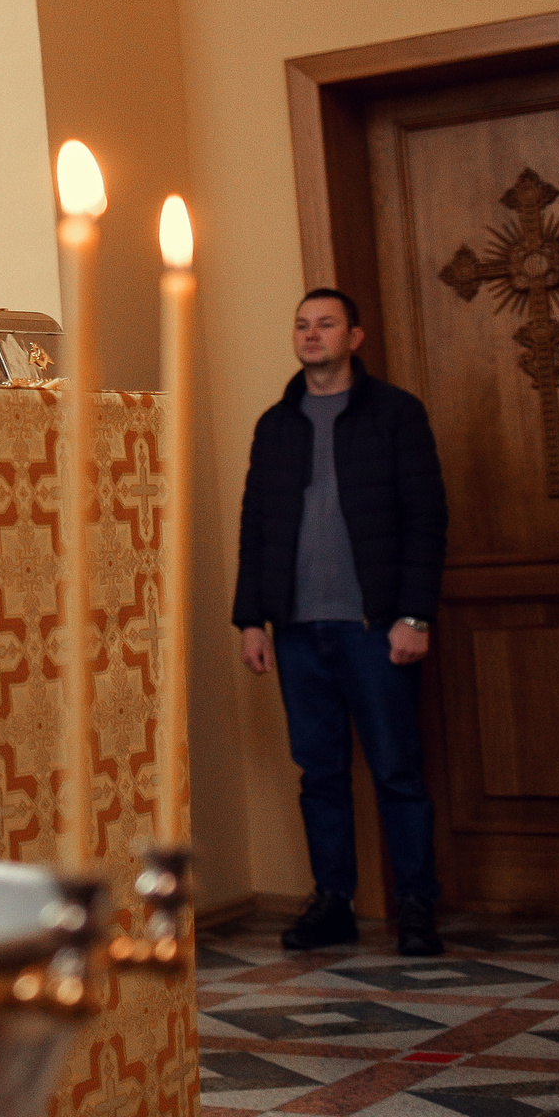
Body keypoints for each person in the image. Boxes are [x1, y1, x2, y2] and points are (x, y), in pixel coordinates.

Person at [234, 288, 448, 958]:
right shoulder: (277, 422)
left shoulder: (395, 414)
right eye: (302, 324)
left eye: (326, 323)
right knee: (319, 773)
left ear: (355, 336)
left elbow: (425, 517)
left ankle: (415, 905)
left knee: (396, 770)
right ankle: (333, 902)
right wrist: (251, 620)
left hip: (374, 627)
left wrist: (414, 614)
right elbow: (256, 525)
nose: (311, 334)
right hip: (296, 629)